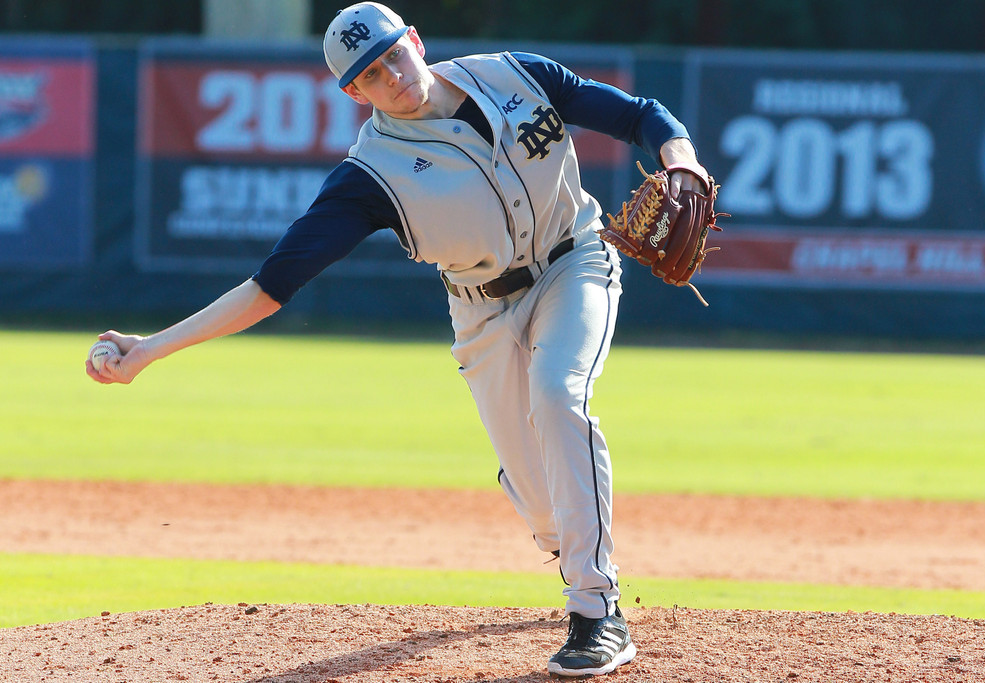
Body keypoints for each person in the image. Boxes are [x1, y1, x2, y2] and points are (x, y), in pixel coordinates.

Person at [86, 2, 709, 677]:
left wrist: (682, 161)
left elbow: (642, 115)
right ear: (353, 92)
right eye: (371, 75)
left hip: (575, 260)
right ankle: (559, 523)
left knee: (559, 395)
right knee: (543, 501)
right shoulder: (368, 176)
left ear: (415, 40)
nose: (393, 77)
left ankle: (596, 611)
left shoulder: (514, 75)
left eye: (393, 56)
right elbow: (270, 285)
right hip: (481, 311)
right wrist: (149, 349)